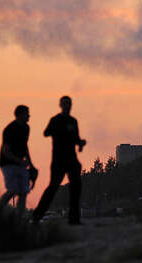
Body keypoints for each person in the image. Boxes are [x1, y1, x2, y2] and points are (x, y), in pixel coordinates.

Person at [33, 96, 86, 225]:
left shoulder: (73, 121)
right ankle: (37, 216)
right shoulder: (56, 120)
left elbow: (75, 138)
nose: (68, 106)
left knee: (76, 187)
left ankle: (74, 219)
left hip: (71, 159)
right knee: (53, 187)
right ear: (61, 105)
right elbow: (46, 133)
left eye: (69, 104)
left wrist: (80, 143)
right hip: (59, 159)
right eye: (65, 104)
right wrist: (62, 131)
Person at [0, 105, 36, 217]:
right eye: (26, 113)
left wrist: (31, 165)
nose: (29, 115)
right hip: (7, 163)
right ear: (19, 115)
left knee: (23, 192)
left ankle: (19, 220)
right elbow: (5, 151)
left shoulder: (26, 128)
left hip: (20, 163)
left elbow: (25, 146)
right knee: (12, 189)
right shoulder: (9, 129)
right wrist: (19, 161)